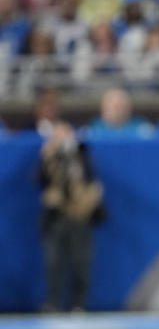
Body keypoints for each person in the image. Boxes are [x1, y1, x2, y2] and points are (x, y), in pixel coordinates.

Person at [38, 120, 105, 312]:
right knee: (53, 264)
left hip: (79, 217)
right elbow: (40, 181)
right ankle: (53, 303)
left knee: (80, 263)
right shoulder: (48, 157)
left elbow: (91, 181)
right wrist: (49, 158)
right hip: (56, 218)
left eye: (65, 134)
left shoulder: (82, 156)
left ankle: (79, 303)